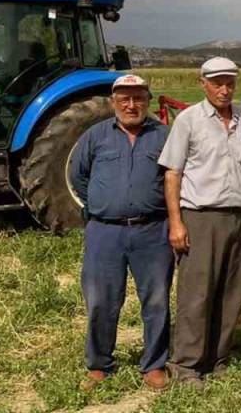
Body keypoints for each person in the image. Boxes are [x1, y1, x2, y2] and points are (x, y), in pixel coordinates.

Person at [159, 57, 241, 386]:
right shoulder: (189, 120)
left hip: (238, 215)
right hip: (201, 215)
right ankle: (186, 364)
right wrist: (176, 222)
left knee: (231, 292)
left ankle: (218, 357)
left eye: (229, 82)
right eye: (217, 83)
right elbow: (172, 174)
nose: (224, 89)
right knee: (196, 292)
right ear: (203, 83)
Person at [70, 74, 172, 391]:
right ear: (114, 102)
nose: (132, 105)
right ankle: (100, 364)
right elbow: (78, 175)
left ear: (148, 100)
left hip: (153, 230)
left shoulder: (164, 136)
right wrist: (103, 205)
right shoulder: (96, 136)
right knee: (101, 301)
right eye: (124, 99)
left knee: (156, 301)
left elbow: (176, 177)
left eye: (138, 98)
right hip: (105, 233)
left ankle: (154, 365)